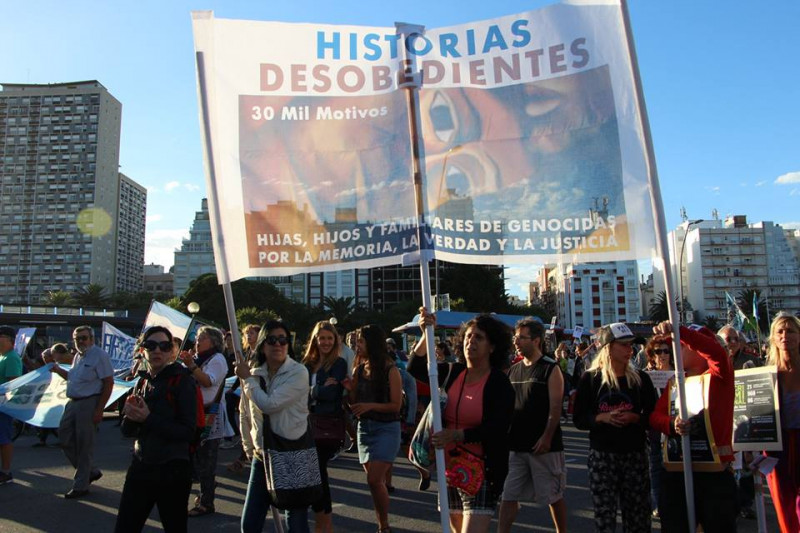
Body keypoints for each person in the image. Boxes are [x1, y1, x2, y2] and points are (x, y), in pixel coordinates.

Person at [408, 309, 515, 533]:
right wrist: (426, 333)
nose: (471, 341)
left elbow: (498, 428)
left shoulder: (498, 383)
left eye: (479, 337)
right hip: (449, 467)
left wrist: (457, 435)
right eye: (468, 336)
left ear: (492, 347)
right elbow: (415, 367)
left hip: (482, 471)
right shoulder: (452, 372)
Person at [649, 321, 736, 532]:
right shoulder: (676, 383)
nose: (673, 352)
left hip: (713, 474)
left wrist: (680, 331)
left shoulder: (720, 375)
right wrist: (671, 423)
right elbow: (655, 417)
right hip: (678, 470)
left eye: (680, 346)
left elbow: (714, 351)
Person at [573, 322, 657, 533]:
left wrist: (635, 418)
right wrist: (602, 417)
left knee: (638, 515)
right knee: (605, 516)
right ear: (608, 348)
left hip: (635, 454)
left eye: (631, 345)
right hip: (603, 456)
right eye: (624, 345)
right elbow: (579, 419)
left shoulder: (641, 379)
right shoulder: (590, 379)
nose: (630, 349)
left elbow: (653, 416)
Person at [115, 326, 197, 532]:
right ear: (143, 350)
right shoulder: (142, 382)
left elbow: (188, 431)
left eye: (164, 346)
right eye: (151, 345)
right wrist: (129, 415)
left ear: (172, 352)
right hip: (141, 464)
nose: (157, 350)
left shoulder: (182, 380)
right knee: (125, 526)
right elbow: (127, 431)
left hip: (173, 469)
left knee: (175, 526)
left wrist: (148, 418)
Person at [236, 319, 310, 533]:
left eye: (283, 340)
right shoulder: (255, 373)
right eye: (271, 339)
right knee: (249, 524)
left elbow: (270, 405)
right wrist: (249, 446)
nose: (278, 344)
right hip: (263, 456)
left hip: (292, 453)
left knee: (295, 523)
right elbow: (246, 412)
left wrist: (247, 380)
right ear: (263, 344)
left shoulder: (298, 372)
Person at [498, 319, 567, 533]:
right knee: (508, 495)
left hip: (543, 447)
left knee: (552, 497)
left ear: (536, 340)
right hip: (515, 446)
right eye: (515, 337)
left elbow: (555, 408)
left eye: (521, 337)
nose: (516, 341)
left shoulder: (550, 368)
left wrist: (547, 437)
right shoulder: (514, 370)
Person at [46, 325, 113, 498]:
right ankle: (89, 471)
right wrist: (57, 369)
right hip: (73, 402)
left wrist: (99, 410)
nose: (81, 341)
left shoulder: (99, 355)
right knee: (64, 437)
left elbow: (108, 382)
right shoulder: (77, 356)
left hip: (89, 402)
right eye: (77, 339)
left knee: (84, 444)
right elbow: (73, 378)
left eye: (84, 338)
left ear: (92, 339)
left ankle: (80, 485)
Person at [349, 324, 403, 533]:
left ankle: (384, 526)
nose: (357, 345)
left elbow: (395, 405)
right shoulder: (359, 369)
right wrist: (350, 389)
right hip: (364, 428)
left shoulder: (391, 370)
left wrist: (370, 405)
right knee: (374, 482)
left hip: (387, 428)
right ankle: (383, 522)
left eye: (360, 341)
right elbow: (353, 403)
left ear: (371, 343)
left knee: (373, 479)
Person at [180, 326, 232, 517]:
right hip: (196, 413)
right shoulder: (200, 359)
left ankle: (206, 502)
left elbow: (208, 382)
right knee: (196, 458)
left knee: (206, 460)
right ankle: (206, 491)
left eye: (201, 338)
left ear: (213, 341)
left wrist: (191, 366)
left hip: (210, 415)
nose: (197, 341)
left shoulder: (217, 359)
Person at [302, 321, 347, 533]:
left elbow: (332, 394)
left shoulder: (338, 364)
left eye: (330, 338)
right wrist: (318, 389)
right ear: (315, 340)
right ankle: (323, 522)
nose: (326, 342)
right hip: (305, 424)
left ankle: (324, 524)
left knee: (318, 471)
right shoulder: (306, 364)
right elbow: (298, 391)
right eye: (322, 338)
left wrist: (312, 390)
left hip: (327, 424)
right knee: (313, 473)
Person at [764, 312, 800, 533]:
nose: (785, 335)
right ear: (774, 338)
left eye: (791, 331)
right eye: (780, 331)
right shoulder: (766, 375)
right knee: (783, 505)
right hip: (778, 447)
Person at [643, 333, 673, 518]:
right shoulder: (647, 376)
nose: (662, 355)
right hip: (655, 431)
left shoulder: (681, 373)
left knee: (674, 469)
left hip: (676, 430)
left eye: (665, 351)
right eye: (657, 351)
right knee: (655, 468)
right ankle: (659, 503)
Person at [227, 324, 260, 471]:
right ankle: (245, 457)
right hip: (245, 393)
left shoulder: (261, 354)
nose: (248, 336)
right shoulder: (247, 353)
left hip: (256, 393)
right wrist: (233, 389)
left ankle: (248, 459)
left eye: (252, 333)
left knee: (254, 425)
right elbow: (240, 375)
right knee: (244, 424)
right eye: (247, 333)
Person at [34, 343, 72, 447]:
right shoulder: (51, 367)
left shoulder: (65, 364)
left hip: (63, 397)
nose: (44, 360)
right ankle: (44, 439)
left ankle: (65, 440)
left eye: (46, 357)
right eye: (43, 358)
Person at [0, 325, 23, 485]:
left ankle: (6, 472)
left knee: (4, 439)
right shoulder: (2, 356)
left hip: (3, 407)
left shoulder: (12, 357)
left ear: (10, 340)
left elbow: (13, 384)